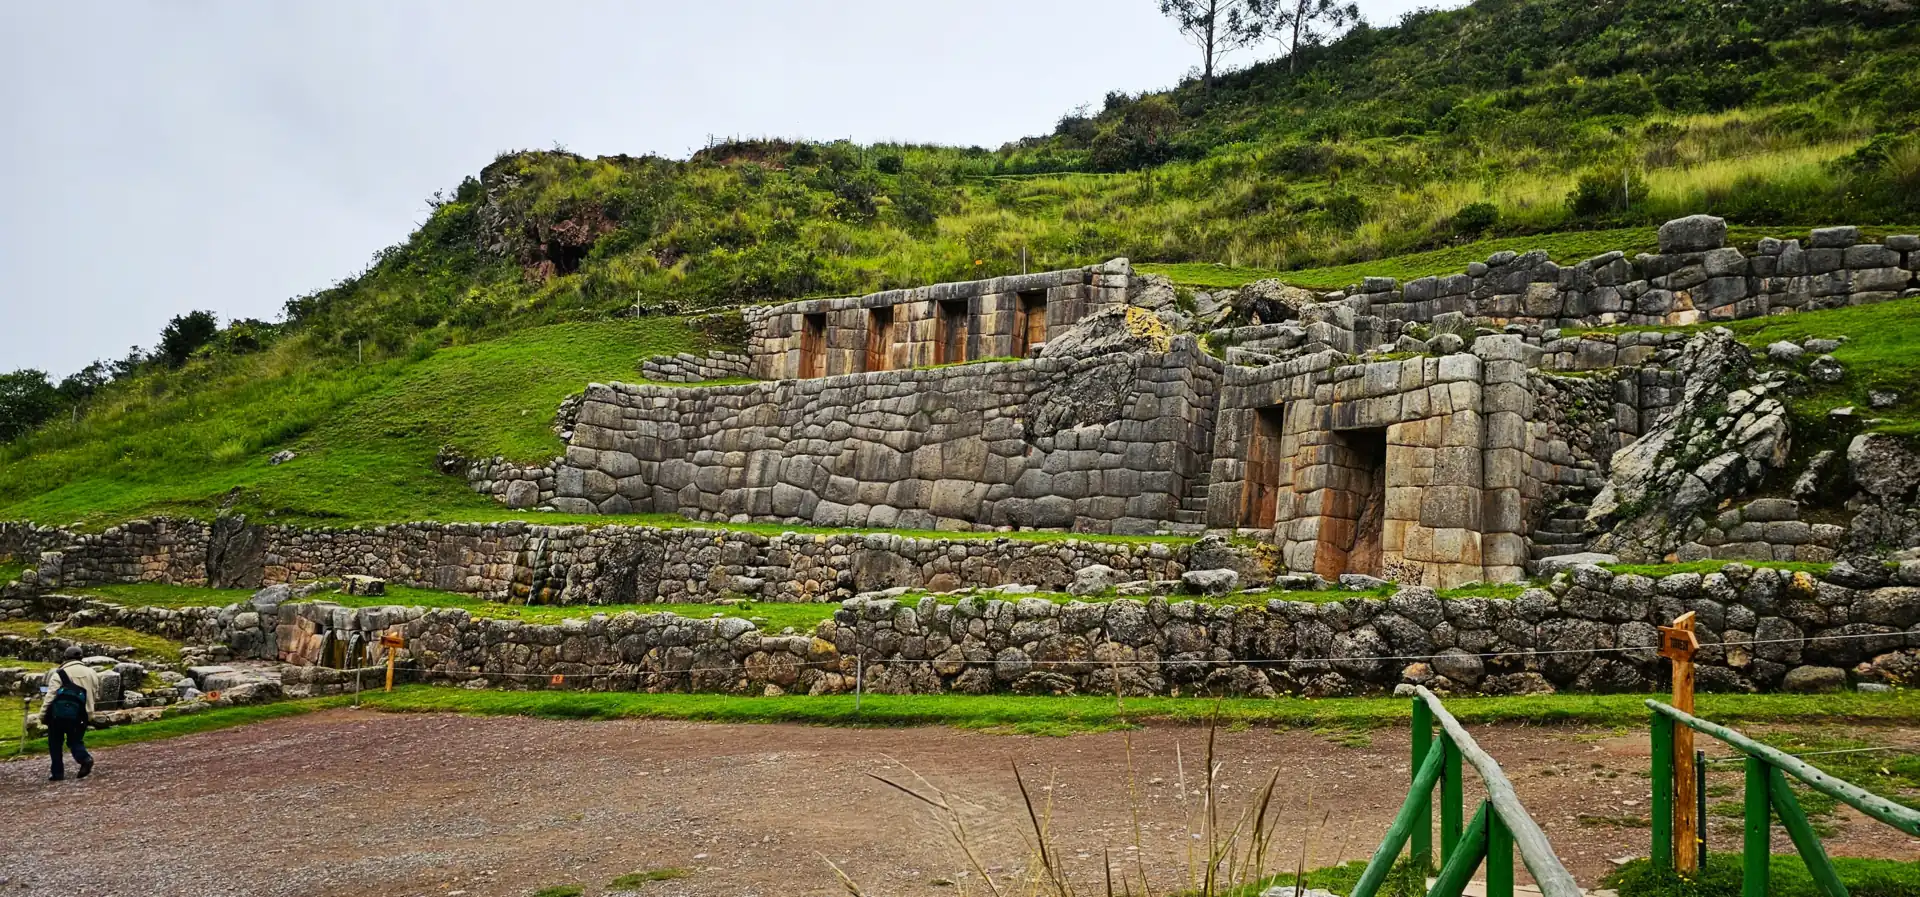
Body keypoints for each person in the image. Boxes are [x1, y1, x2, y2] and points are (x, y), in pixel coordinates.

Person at [42, 646, 98, 782]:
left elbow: (51, 695)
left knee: (55, 743)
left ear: (65, 657)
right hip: (82, 714)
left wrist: (43, 714)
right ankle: (84, 758)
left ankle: (57, 772)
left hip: (59, 715)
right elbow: (95, 693)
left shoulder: (60, 673)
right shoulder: (92, 672)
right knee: (75, 740)